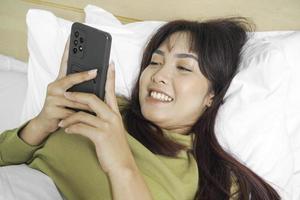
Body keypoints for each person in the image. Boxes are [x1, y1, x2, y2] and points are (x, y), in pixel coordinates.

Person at [0, 18, 280, 200]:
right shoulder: (102, 107)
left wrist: (120, 162)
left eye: (183, 67)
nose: (159, 75)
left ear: (212, 95)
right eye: (155, 62)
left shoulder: (213, 178)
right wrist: (41, 124)